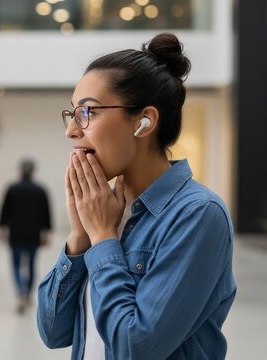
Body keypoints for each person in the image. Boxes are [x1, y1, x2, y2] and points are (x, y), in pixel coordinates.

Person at [36, 33, 236, 359]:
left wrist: (102, 238)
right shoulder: (107, 209)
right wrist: (79, 237)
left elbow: (135, 347)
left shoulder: (199, 214)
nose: (71, 130)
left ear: (145, 122)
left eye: (88, 112)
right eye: (72, 114)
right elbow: (53, 331)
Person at [0, 158, 52, 314]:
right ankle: (27, 293)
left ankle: (21, 291)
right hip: (33, 234)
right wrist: (46, 232)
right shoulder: (40, 190)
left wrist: (1, 229)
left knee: (16, 264)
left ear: (20, 170)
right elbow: (46, 213)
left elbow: (4, 210)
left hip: (16, 233)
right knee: (31, 264)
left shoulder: (12, 189)